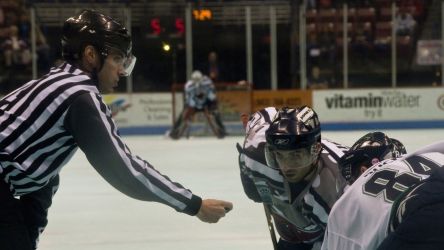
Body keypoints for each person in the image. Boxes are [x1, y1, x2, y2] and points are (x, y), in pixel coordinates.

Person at [0, 9, 232, 250]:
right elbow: (123, 169)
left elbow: (43, 178)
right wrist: (194, 205)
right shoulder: (80, 95)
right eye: (118, 59)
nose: (122, 70)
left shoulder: (52, 83)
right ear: (90, 55)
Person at [237, 106, 348, 250]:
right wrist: (250, 184)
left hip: (328, 235)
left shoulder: (337, 189)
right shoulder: (256, 154)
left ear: (315, 151)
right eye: (279, 156)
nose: (287, 167)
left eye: (296, 156)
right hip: (295, 233)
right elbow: (266, 114)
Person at [320, 131, 444, 250]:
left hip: (422, 212)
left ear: (363, 170)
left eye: (351, 177)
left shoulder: (348, 204)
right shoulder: (421, 157)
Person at [168, 70, 226, 139]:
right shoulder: (188, 86)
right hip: (194, 105)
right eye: (195, 80)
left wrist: (212, 103)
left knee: (216, 112)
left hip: (205, 103)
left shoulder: (207, 83)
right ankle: (174, 131)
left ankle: (222, 130)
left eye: (198, 79)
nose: (197, 81)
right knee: (183, 114)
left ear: (201, 78)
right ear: (192, 80)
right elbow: (188, 99)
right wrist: (192, 107)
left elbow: (212, 95)